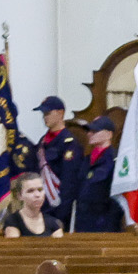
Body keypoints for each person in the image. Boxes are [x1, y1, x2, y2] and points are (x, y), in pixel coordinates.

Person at [34, 96, 87, 231]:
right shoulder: (42, 141)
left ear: (60, 113)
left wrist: (61, 214)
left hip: (57, 206)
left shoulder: (69, 143)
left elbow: (70, 181)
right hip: (41, 203)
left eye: (48, 113)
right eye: (43, 114)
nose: (45, 117)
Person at [76, 116, 122, 232]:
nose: (90, 134)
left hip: (103, 222)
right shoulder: (87, 160)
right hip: (83, 220)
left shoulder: (115, 160)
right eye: (89, 131)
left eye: (95, 131)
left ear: (109, 134)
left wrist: (110, 225)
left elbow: (117, 198)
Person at [3, 172, 63, 238]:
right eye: (30, 191)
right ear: (20, 195)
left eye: (40, 190)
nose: (37, 195)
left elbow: (59, 246)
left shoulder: (53, 222)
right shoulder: (13, 221)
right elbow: (14, 246)